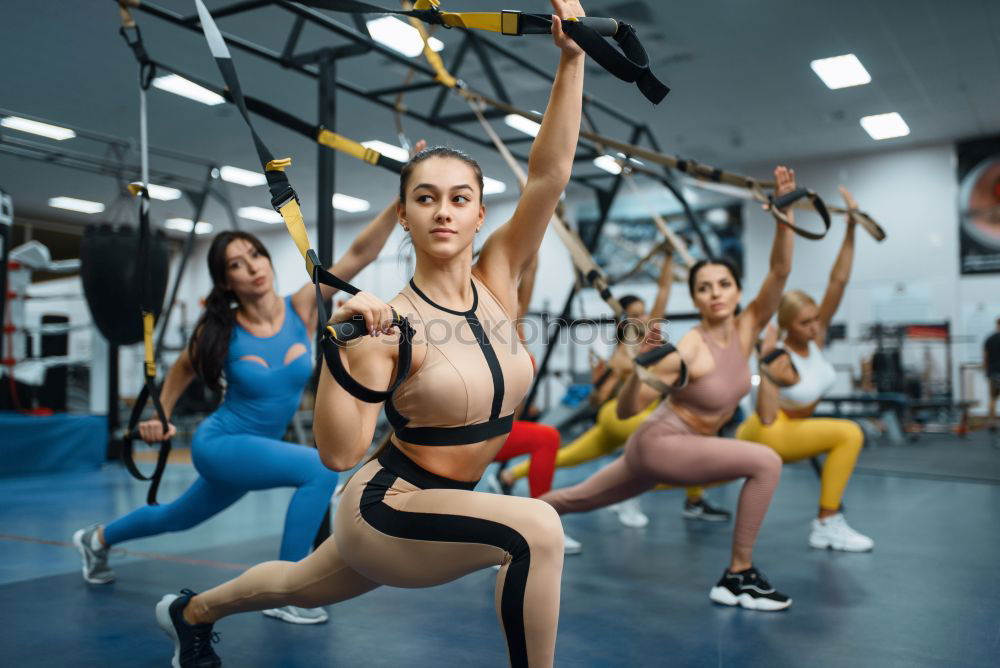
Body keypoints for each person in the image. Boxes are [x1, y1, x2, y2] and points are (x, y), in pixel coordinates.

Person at [155, 4, 584, 666]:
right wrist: (341, 346)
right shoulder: (386, 324)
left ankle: (190, 612)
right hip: (387, 508)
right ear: (405, 218)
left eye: (460, 197)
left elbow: (550, 176)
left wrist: (572, 59)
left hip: (444, 506)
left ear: (479, 215)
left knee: (294, 582)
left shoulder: (500, 275)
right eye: (426, 197)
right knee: (538, 529)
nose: (444, 209)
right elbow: (338, 453)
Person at [73, 189, 404, 625]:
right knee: (320, 467)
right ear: (226, 281)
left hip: (254, 449)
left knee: (177, 517)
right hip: (222, 442)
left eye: (255, 255)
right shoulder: (221, 330)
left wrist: (398, 195)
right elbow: (182, 370)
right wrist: (161, 414)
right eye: (236, 264)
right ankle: (287, 590)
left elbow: (360, 253)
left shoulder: (302, 307)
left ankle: (95, 539)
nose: (252, 268)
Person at [537, 166, 800, 612]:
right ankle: (738, 576)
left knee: (571, 499)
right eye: (703, 288)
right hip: (662, 444)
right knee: (766, 462)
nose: (715, 293)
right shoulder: (691, 349)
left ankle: (503, 536)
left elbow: (779, 271)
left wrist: (783, 216)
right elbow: (624, 413)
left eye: (723, 285)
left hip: (670, 449)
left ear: (738, 291)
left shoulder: (748, 325)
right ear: (694, 298)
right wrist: (640, 374)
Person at [499, 253, 729, 529]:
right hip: (624, 417)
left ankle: (510, 475)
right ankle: (636, 497)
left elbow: (664, 292)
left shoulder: (648, 337)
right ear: (624, 323)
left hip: (619, 419)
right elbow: (601, 396)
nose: (644, 316)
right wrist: (607, 377)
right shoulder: (625, 351)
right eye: (636, 314)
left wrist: (666, 256)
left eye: (644, 311)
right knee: (682, 443)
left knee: (572, 455)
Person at [736, 188, 873, 552]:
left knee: (696, 470)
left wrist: (851, 228)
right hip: (767, 430)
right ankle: (827, 523)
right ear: (789, 325)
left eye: (816, 320)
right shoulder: (778, 355)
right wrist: (764, 366)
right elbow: (765, 417)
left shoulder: (814, 339)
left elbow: (838, 282)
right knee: (849, 433)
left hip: (793, 428)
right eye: (806, 322)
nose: (815, 327)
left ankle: (636, 486)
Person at [984, 318, 1000, 432]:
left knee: (992, 399)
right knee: (993, 399)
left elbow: (985, 357)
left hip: (993, 373)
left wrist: (986, 372)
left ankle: (992, 423)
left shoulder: (989, 339)